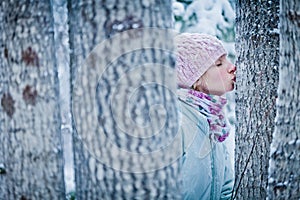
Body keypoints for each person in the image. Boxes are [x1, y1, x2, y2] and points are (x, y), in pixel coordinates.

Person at [175, 33, 236, 199]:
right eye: (219, 63)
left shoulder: (214, 121)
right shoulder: (176, 121)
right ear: (195, 79)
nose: (232, 67)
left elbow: (226, 188)